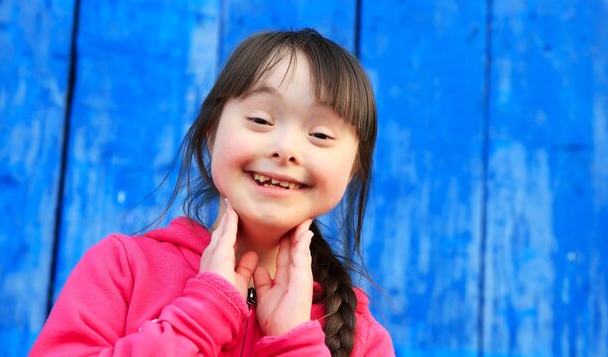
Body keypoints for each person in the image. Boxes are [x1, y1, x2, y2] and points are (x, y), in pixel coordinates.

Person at [31, 29, 394, 356]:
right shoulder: (122, 270)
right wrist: (201, 317)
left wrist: (295, 343)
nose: (286, 149)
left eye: (320, 135)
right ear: (211, 134)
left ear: (353, 170)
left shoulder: (365, 340)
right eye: (261, 120)